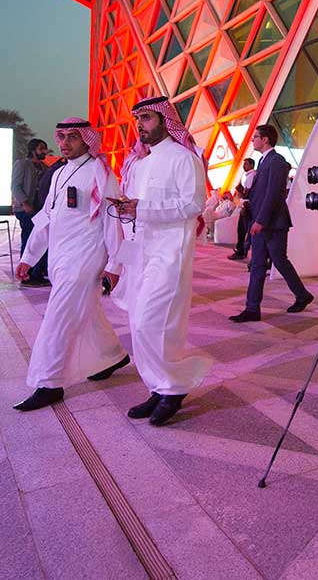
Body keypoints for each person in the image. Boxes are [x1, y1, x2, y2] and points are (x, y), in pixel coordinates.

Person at [12, 118, 129, 411]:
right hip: (60, 257)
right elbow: (46, 218)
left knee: (58, 317)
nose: (64, 143)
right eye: (61, 137)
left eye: (72, 137)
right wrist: (29, 257)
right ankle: (112, 355)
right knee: (86, 311)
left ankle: (48, 383)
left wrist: (115, 263)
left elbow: (112, 221)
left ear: (87, 140)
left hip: (85, 258)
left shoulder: (101, 172)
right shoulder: (60, 173)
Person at [109, 96, 211, 426]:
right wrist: (128, 210)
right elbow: (137, 209)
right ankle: (159, 386)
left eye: (147, 118)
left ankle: (174, 386)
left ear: (165, 121)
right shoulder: (141, 164)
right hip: (141, 253)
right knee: (137, 323)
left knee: (153, 322)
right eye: (137, 118)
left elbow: (193, 205)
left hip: (170, 254)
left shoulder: (185, 159)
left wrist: (142, 209)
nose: (140, 125)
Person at [229, 124, 313, 323]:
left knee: (279, 261)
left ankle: (302, 295)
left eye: (256, 137)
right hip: (263, 222)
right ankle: (252, 309)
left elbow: (273, 194)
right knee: (258, 265)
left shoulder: (277, 161)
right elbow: (262, 193)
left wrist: (260, 220)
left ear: (265, 139)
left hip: (273, 224)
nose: (253, 140)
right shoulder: (264, 161)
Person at [12, 138, 49, 287]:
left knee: (41, 239)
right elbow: (15, 186)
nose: (44, 151)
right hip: (27, 210)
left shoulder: (45, 167)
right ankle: (27, 275)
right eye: (41, 148)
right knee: (28, 239)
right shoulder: (22, 164)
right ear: (33, 150)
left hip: (40, 210)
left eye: (45, 148)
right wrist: (25, 203)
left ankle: (38, 273)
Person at [228, 157, 256, 260]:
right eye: (243, 164)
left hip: (248, 206)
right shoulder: (245, 175)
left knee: (245, 230)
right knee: (241, 230)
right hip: (244, 204)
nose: (244, 166)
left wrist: (241, 192)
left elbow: (247, 192)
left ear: (251, 165)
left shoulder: (252, 175)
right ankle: (240, 250)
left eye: (246, 164)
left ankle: (243, 251)